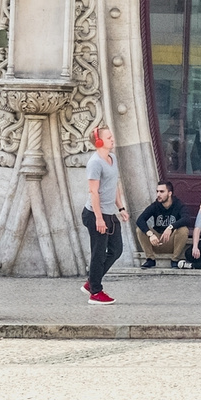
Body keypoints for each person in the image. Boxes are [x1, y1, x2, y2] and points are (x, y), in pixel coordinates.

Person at [80, 125, 128, 304]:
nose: (112, 139)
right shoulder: (94, 163)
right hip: (95, 214)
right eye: (108, 138)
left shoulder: (112, 159)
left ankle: (91, 282)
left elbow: (114, 185)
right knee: (98, 253)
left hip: (109, 213)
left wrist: (121, 208)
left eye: (111, 136)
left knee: (116, 250)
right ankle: (95, 292)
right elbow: (94, 192)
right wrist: (99, 218)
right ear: (99, 142)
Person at [135, 182, 192, 268]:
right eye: (157, 191)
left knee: (183, 230)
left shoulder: (178, 205)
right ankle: (150, 259)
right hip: (156, 241)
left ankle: (175, 260)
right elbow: (140, 220)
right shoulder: (155, 205)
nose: (158, 194)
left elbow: (187, 218)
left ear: (170, 193)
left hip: (171, 242)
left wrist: (171, 227)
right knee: (139, 230)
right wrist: (150, 234)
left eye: (161, 192)